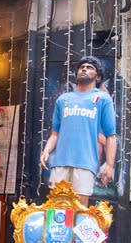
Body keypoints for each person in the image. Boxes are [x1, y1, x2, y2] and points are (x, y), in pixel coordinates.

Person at [39, 55, 117, 206]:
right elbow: (55, 133)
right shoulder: (63, 99)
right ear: (76, 73)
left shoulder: (102, 99)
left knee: (80, 209)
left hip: (86, 163)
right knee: (56, 209)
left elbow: (110, 136)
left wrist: (109, 165)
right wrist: (46, 151)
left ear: (98, 76)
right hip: (60, 162)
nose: (84, 69)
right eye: (82, 67)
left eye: (90, 68)